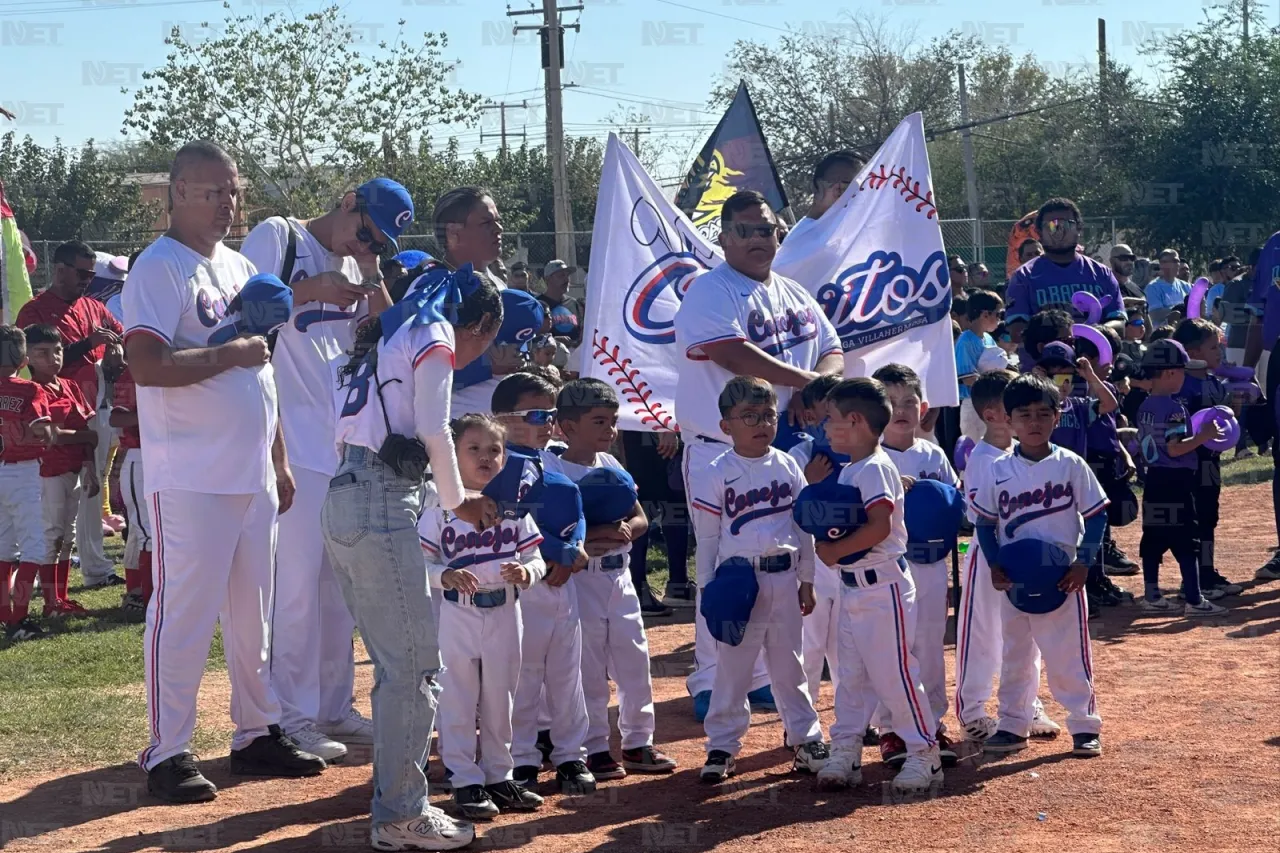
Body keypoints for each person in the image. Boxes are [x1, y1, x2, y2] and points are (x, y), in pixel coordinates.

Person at [123, 141, 326, 803]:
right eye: (211, 191)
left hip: (252, 473)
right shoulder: (158, 267)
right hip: (190, 473)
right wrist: (230, 355)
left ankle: (255, 730)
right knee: (183, 612)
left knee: (252, 614)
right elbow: (148, 366)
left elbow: (261, 373)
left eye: (233, 192)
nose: (225, 204)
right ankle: (168, 750)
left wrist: (279, 457)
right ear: (176, 192)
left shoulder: (239, 266)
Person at [325, 254, 502, 847]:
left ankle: (396, 810)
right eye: (489, 342)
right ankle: (401, 816)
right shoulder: (436, 331)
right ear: (479, 325)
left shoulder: (387, 333)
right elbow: (434, 425)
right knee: (413, 672)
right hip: (376, 502)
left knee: (397, 670)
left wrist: (433, 487)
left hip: (348, 494)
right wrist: (459, 502)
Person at [240, 177, 411, 763]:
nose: (367, 244)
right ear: (347, 202)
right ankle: (292, 715)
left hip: (345, 447)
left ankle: (334, 705)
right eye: (366, 230)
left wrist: (374, 270)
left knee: (341, 589)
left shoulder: (364, 266)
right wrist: (314, 287)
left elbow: (394, 338)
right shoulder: (279, 236)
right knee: (295, 591)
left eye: (380, 241)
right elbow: (243, 311)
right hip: (296, 443)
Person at [673, 189, 843, 719]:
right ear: (723, 237)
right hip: (717, 451)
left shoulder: (792, 291)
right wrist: (809, 381)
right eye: (744, 230)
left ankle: (764, 677)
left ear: (779, 234)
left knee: (779, 566)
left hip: (780, 450)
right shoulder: (711, 290)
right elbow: (731, 353)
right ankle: (708, 678)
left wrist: (820, 387)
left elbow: (833, 348)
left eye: (766, 229)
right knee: (721, 566)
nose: (757, 239)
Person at [691, 376, 827, 783]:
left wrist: (807, 578)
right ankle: (722, 745)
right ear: (725, 425)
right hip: (737, 582)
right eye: (748, 415)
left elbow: (804, 527)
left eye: (768, 414)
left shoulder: (787, 464)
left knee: (790, 666)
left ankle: (805, 739)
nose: (761, 422)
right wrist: (705, 588)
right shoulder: (715, 471)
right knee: (733, 667)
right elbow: (707, 537)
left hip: (784, 579)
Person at [543, 378, 678, 778]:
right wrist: (597, 533)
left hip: (619, 579)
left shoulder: (613, 464)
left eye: (613, 420)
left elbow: (640, 517)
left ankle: (639, 742)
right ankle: (596, 746)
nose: (610, 429)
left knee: (634, 662)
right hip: (580, 579)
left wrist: (623, 531)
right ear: (566, 427)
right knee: (588, 665)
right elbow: (555, 525)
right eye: (599, 421)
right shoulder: (552, 466)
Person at [812, 378, 941, 795]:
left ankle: (925, 753)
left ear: (854, 420)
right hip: (854, 586)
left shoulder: (877, 467)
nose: (825, 426)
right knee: (850, 675)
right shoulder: (852, 466)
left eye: (830, 419)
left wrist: (833, 552)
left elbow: (879, 526)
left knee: (895, 675)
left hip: (882, 586)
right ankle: (846, 749)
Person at [972, 373, 1106, 758]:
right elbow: (984, 522)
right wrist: (995, 563)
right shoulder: (997, 469)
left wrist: (1084, 562)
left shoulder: (1070, 465)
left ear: (1057, 416)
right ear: (1008, 421)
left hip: (1061, 577)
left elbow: (1095, 516)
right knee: (1014, 654)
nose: (1033, 423)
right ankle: (1013, 723)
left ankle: (1083, 724)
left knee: (1068, 654)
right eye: (1024, 415)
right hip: (1014, 579)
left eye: (1042, 414)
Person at [421, 413, 547, 820]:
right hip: (458, 615)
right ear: (453, 457)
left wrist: (529, 572)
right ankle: (464, 780)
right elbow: (417, 566)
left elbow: (535, 556)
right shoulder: (440, 507)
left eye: (494, 449)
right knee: (458, 697)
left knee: (500, 699)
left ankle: (499, 775)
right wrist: (444, 574)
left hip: (506, 612)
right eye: (473, 449)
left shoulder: (512, 508)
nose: (485, 457)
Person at [488, 373, 596, 796]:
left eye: (550, 414)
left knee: (567, 673)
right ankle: (523, 760)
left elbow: (577, 506)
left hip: (560, 582)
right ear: (502, 417)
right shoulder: (495, 464)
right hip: (522, 581)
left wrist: (576, 545)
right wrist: (558, 550)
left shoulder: (546, 457)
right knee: (525, 676)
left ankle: (571, 756)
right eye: (536, 414)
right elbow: (506, 517)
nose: (547, 422)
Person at [952, 370, 1059, 743]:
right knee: (981, 634)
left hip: (1025, 558)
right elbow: (977, 516)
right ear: (993, 413)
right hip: (989, 557)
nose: (1025, 417)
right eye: (1015, 408)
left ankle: (1025, 703)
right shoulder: (982, 458)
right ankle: (973, 709)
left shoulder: (1024, 455)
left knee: (1025, 633)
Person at [17, 239, 124, 589]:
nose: (87, 280)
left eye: (91, 274)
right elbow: (33, 361)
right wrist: (88, 345)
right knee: (52, 498)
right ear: (60, 269)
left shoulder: (93, 306)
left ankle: (95, 568)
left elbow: (118, 338)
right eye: (82, 273)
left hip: (95, 407)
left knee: (92, 489)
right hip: (53, 414)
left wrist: (114, 354)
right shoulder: (35, 310)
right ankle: (37, 571)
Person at [871, 363, 960, 764]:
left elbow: (957, 505)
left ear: (923, 407)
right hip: (890, 567)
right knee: (893, 648)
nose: (901, 410)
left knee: (928, 644)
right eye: (890, 403)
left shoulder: (934, 453)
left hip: (931, 564)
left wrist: (937, 496)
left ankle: (931, 722)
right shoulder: (870, 459)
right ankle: (890, 729)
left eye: (909, 401)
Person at [1133, 340, 1228, 616]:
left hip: (1154, 480)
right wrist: (1203, 437)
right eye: (1182, 371)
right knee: (1187, 540)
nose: (1185, 377)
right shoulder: (1173, 408)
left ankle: (1152, 594)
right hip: (1177, 482)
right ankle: (1195, 600)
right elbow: (1175, 448)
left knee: (1153, 537)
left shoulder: (1144, 406)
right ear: (1169, 373)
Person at [24, 325, 98, 616]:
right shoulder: (30, 390)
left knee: (66, 535)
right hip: (47, 472)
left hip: (72, 468)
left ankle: (61, 598)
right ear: (26, 356)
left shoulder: (68, 385)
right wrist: (84, 438)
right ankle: (50, 602)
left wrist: (90, 463)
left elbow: (84, 429)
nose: (53, 357)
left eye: (56, 351)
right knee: (52, 535)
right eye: (42, 352)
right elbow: (49, 435)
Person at [1171, 319, 1244, 600]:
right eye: (1213, 347)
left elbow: (1225, 424)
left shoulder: (1214, 382)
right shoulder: (1180, 384)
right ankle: (1194, 579)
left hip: (1211, 462)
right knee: (1193, 520)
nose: (1219, 353)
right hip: (1189, 464)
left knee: (1209, 517)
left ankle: (1208, 571)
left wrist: (1235, 406)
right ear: (1192, 352)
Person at [1004, 199, 1126, 343]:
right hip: (1044, 364)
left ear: (1079, 229)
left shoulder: (1102, 273)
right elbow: (1017, 331)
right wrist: (1062, 335)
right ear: (1039, 233)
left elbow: (1119, 324)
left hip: (1094, 361)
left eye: (1067, 224)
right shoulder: (1023, 277)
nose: (1060, 230)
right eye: (1052, 225)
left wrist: (1092, 334)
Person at [0, 324, 53, 641]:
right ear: (23, 359)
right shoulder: (29, 389)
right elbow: (40, 432)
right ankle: (19, 619)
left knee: (3, 546)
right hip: (22, 472)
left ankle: (5, 616)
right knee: (32, 546)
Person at [109, 358, 151, 614]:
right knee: (144, 533)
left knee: (150, 532)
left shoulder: (177, 364)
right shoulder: (133, 372)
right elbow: (117, 417)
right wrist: (154, 412)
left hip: (169, 453)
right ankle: (143, 595)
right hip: (140, 456)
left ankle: (142, 592)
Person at [954, 290, 1004, 440]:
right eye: (998, 314)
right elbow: (968, 378)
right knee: (974, 450)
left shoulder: (988, 338)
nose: (1000, 320)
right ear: (985, 314)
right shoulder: (965, 340)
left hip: (992, 402)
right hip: (973, 405)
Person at [789, 149, 862, 243]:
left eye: (859, 189)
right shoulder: (801, 241)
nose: (849, 196)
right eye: (842, 188)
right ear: (816, 188)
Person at [538, 260, 583, 353]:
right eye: (561, 276)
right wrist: (554, 340)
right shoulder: (538, 304)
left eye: (567, 275)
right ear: (547, 279)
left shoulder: (574, 304)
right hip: (549, 356)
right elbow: (533, 335)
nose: (566, 280)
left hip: (574, 357)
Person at [1144, 249, 1192, 327]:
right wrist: (1180, 310)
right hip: (1164, 333)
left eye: (1178, 261)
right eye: (1174, 261)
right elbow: (1154, 314)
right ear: (1162, 264)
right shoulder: (1152, 288)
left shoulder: (1185, 286)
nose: (1178, 264)